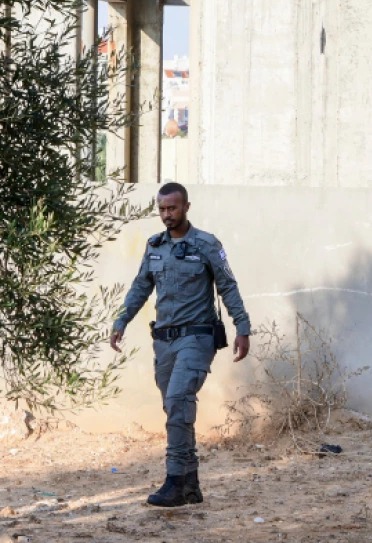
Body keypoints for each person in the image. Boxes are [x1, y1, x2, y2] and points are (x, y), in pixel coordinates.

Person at [110, 182, 251, 507]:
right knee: (176, 409)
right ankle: (190, 485)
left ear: (186, 207)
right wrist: (121, 320)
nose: (166, 214)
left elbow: (228, 286)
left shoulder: (206, 244)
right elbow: (140, 286)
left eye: (172, 208)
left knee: (177, 400)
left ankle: (174, 481)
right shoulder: (155, 246)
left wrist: (242, 328)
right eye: (161, 209)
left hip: (197, 337)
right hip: (164, 342)